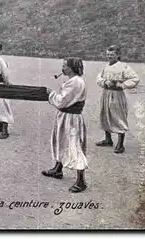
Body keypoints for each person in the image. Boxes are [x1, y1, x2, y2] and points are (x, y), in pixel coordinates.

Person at [42, 57, 88, 193]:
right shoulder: (72, 81)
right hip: (65, 116)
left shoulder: (75, 83)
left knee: (74, 147)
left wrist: (51, 94)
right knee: (60, 141)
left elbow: (62, 101)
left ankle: (81, 181)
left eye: (65, 66)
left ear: (72, 68)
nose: (63, 68)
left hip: (71, 118)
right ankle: (58, 169)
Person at [95, 45, 140, 153]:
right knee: (105, 114)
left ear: (118, 55)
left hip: (117, 94)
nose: (109, 56)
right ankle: (108, 139)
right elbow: (98, 78)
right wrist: (104, 82)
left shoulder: (123, 66)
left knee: (118, 116)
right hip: (106, 93)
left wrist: (121, 84)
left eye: (112, 55)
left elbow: (135, 79)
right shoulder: (106, 67)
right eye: (108, 54)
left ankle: (120, 144)